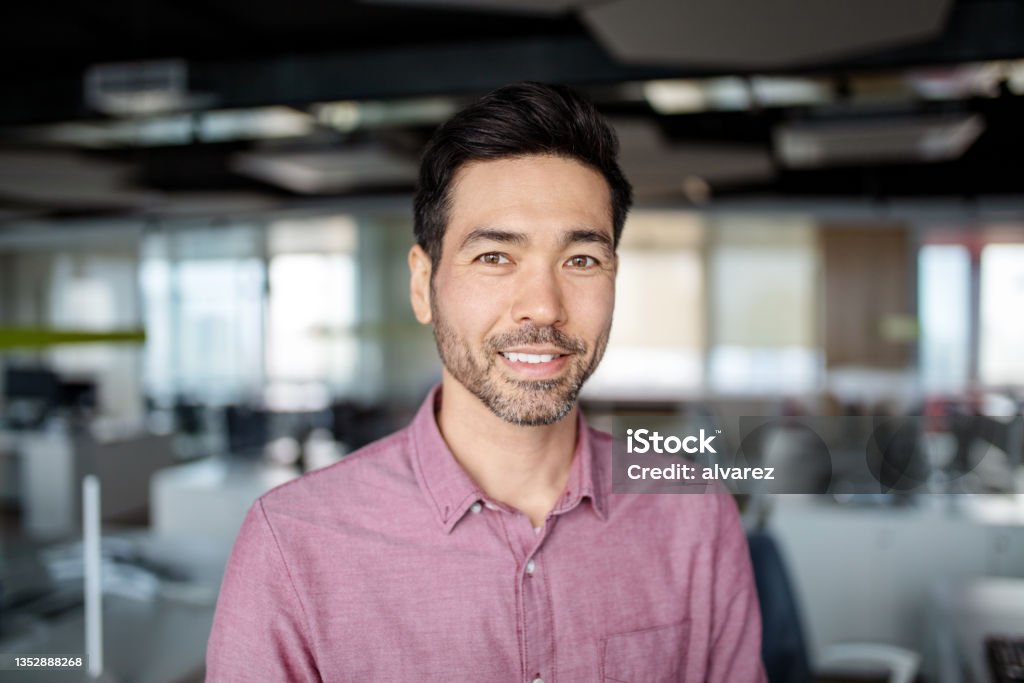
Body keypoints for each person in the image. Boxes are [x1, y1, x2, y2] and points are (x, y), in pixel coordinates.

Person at [206, 82, 766, 682]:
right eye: (495, 257)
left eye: (581, 260)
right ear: (423, 285)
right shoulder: (293, 543)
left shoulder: (693, 514)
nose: (544, 307)